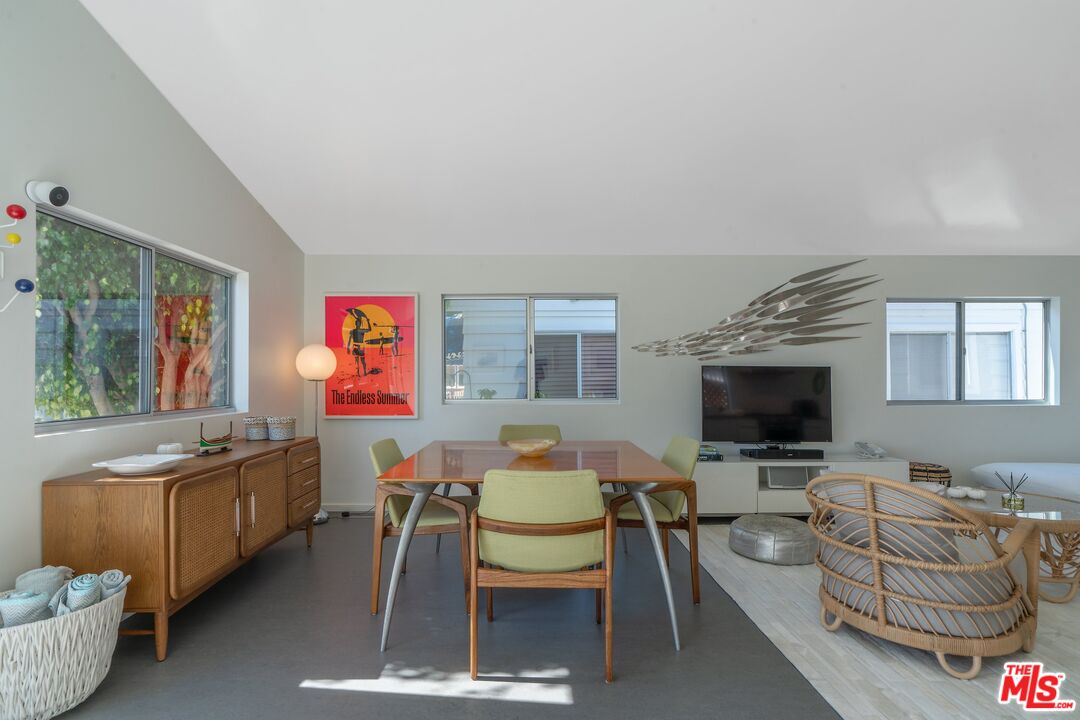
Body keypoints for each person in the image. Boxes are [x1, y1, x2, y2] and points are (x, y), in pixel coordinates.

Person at [345, 307, 371, 377]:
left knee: (357, 361)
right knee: (362, 361)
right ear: (358, 324)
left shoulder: (353, 331)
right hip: (360, 348)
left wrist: (348, 348)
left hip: (355, 347)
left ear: (356, 324)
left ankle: (359, 373)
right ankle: (364, 372)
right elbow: (369, 329)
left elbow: (349, 339)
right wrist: (368, 321)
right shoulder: (361, 330)